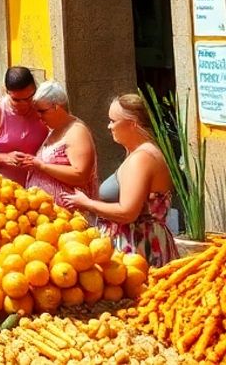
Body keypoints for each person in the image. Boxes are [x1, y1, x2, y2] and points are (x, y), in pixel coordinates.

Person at [68, 94, 178, 266]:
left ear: (132, 123)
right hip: (141, 245)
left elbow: (128, 212)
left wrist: (87, 203)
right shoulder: (141, 153)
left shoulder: (142, 158)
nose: (109, 126)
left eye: (113, 121)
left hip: (137, 249)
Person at [19, 81, 99, 206]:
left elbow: (81, 175)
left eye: (42, 111)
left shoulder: (77, 132)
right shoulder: (55, 128)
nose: (38, 116)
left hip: (70, 218)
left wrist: (42, 166)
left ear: (57, 107)